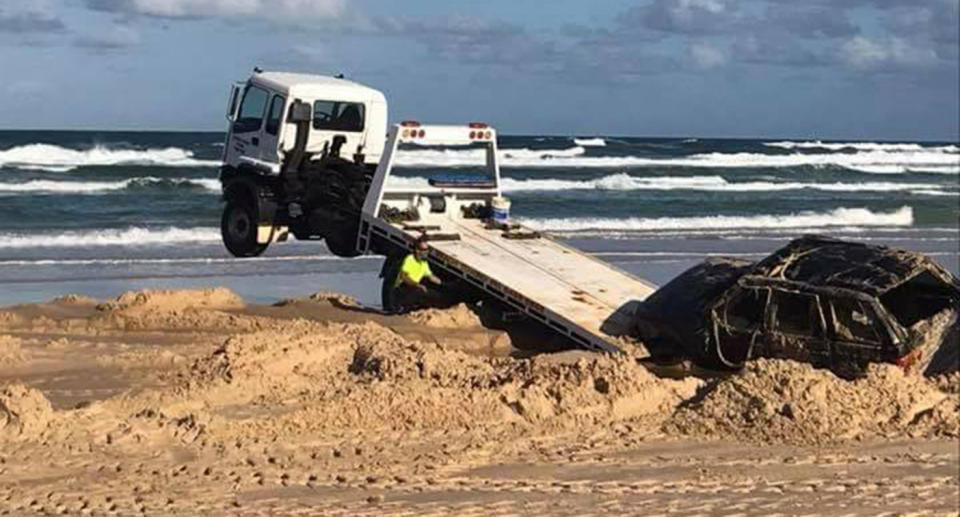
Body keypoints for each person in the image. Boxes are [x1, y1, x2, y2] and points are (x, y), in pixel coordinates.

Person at [381, 237, 442, 313]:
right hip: (402, 290)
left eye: (427, 250)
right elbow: (404, 277)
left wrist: (442, 283)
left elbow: (430, 276)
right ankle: (398, 308)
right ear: (417, 250)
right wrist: (417, 285)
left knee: (433, 295)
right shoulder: (409, 260)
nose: (425, 252)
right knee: (420, 291)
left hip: (411, 290)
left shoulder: (424, 263)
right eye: (423, 250)